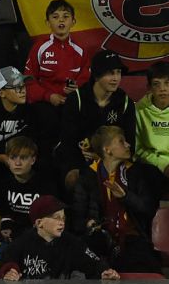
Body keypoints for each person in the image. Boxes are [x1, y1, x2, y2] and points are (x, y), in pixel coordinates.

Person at [72, 125, 163, 273]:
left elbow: (148, 209)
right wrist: (88, 223)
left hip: (131, 238)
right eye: (121, 141)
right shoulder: (88, 176)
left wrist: (126, 197)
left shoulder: (137, 173)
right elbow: (76, 219)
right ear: (107, 150)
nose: (128, 145)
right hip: (100, 239)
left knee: (148, 266)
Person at [55, 50, 136, 191]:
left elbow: (130, 144)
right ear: (97, 75)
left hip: (112, 160)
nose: (116, 78)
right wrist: (76, 166)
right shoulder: (76, 100)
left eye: (118, 72)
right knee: (73, 179)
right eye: (110, 73)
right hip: (78, 159)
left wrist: (102, 159)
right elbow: (67, 141)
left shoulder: (125, 102)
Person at [0, 195, 120, 281]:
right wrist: (7, 273)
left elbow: (94, 262)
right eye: (56, 218)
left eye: (63, 218)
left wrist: (105, 271)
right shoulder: (22, 242)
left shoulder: (71, 242)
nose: (62, 222)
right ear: (39, 223)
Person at [0, 136, 60, 241]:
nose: (17, 163)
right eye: (13, 158)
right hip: (12, 236)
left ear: (33, 160)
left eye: (23, 158)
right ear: (7, 159)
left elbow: (52, 217)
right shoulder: (2, 183)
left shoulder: (46, 185)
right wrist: (6, 226)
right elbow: (2, 211)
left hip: (39, 236)